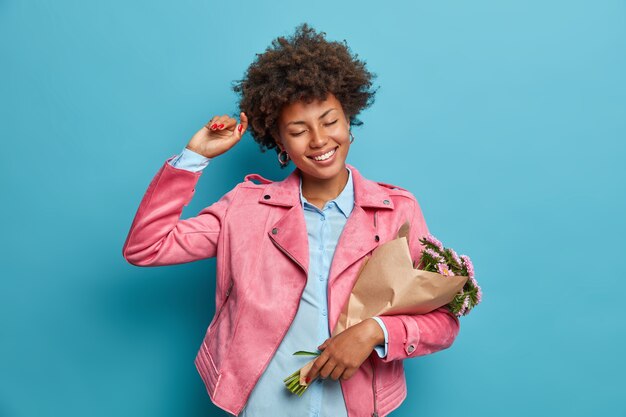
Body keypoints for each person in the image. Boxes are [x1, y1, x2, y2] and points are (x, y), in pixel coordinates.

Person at [122, 23, 460, 417]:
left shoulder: (396, 210)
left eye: (330, 121)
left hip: (355, 406)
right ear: (279, 142)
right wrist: (195, 158)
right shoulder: (245, 209)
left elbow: (443, 320)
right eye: (298, 131)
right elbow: (147, 247)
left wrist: (375, 332)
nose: (318, 140)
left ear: (349, 122)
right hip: (264, 404)